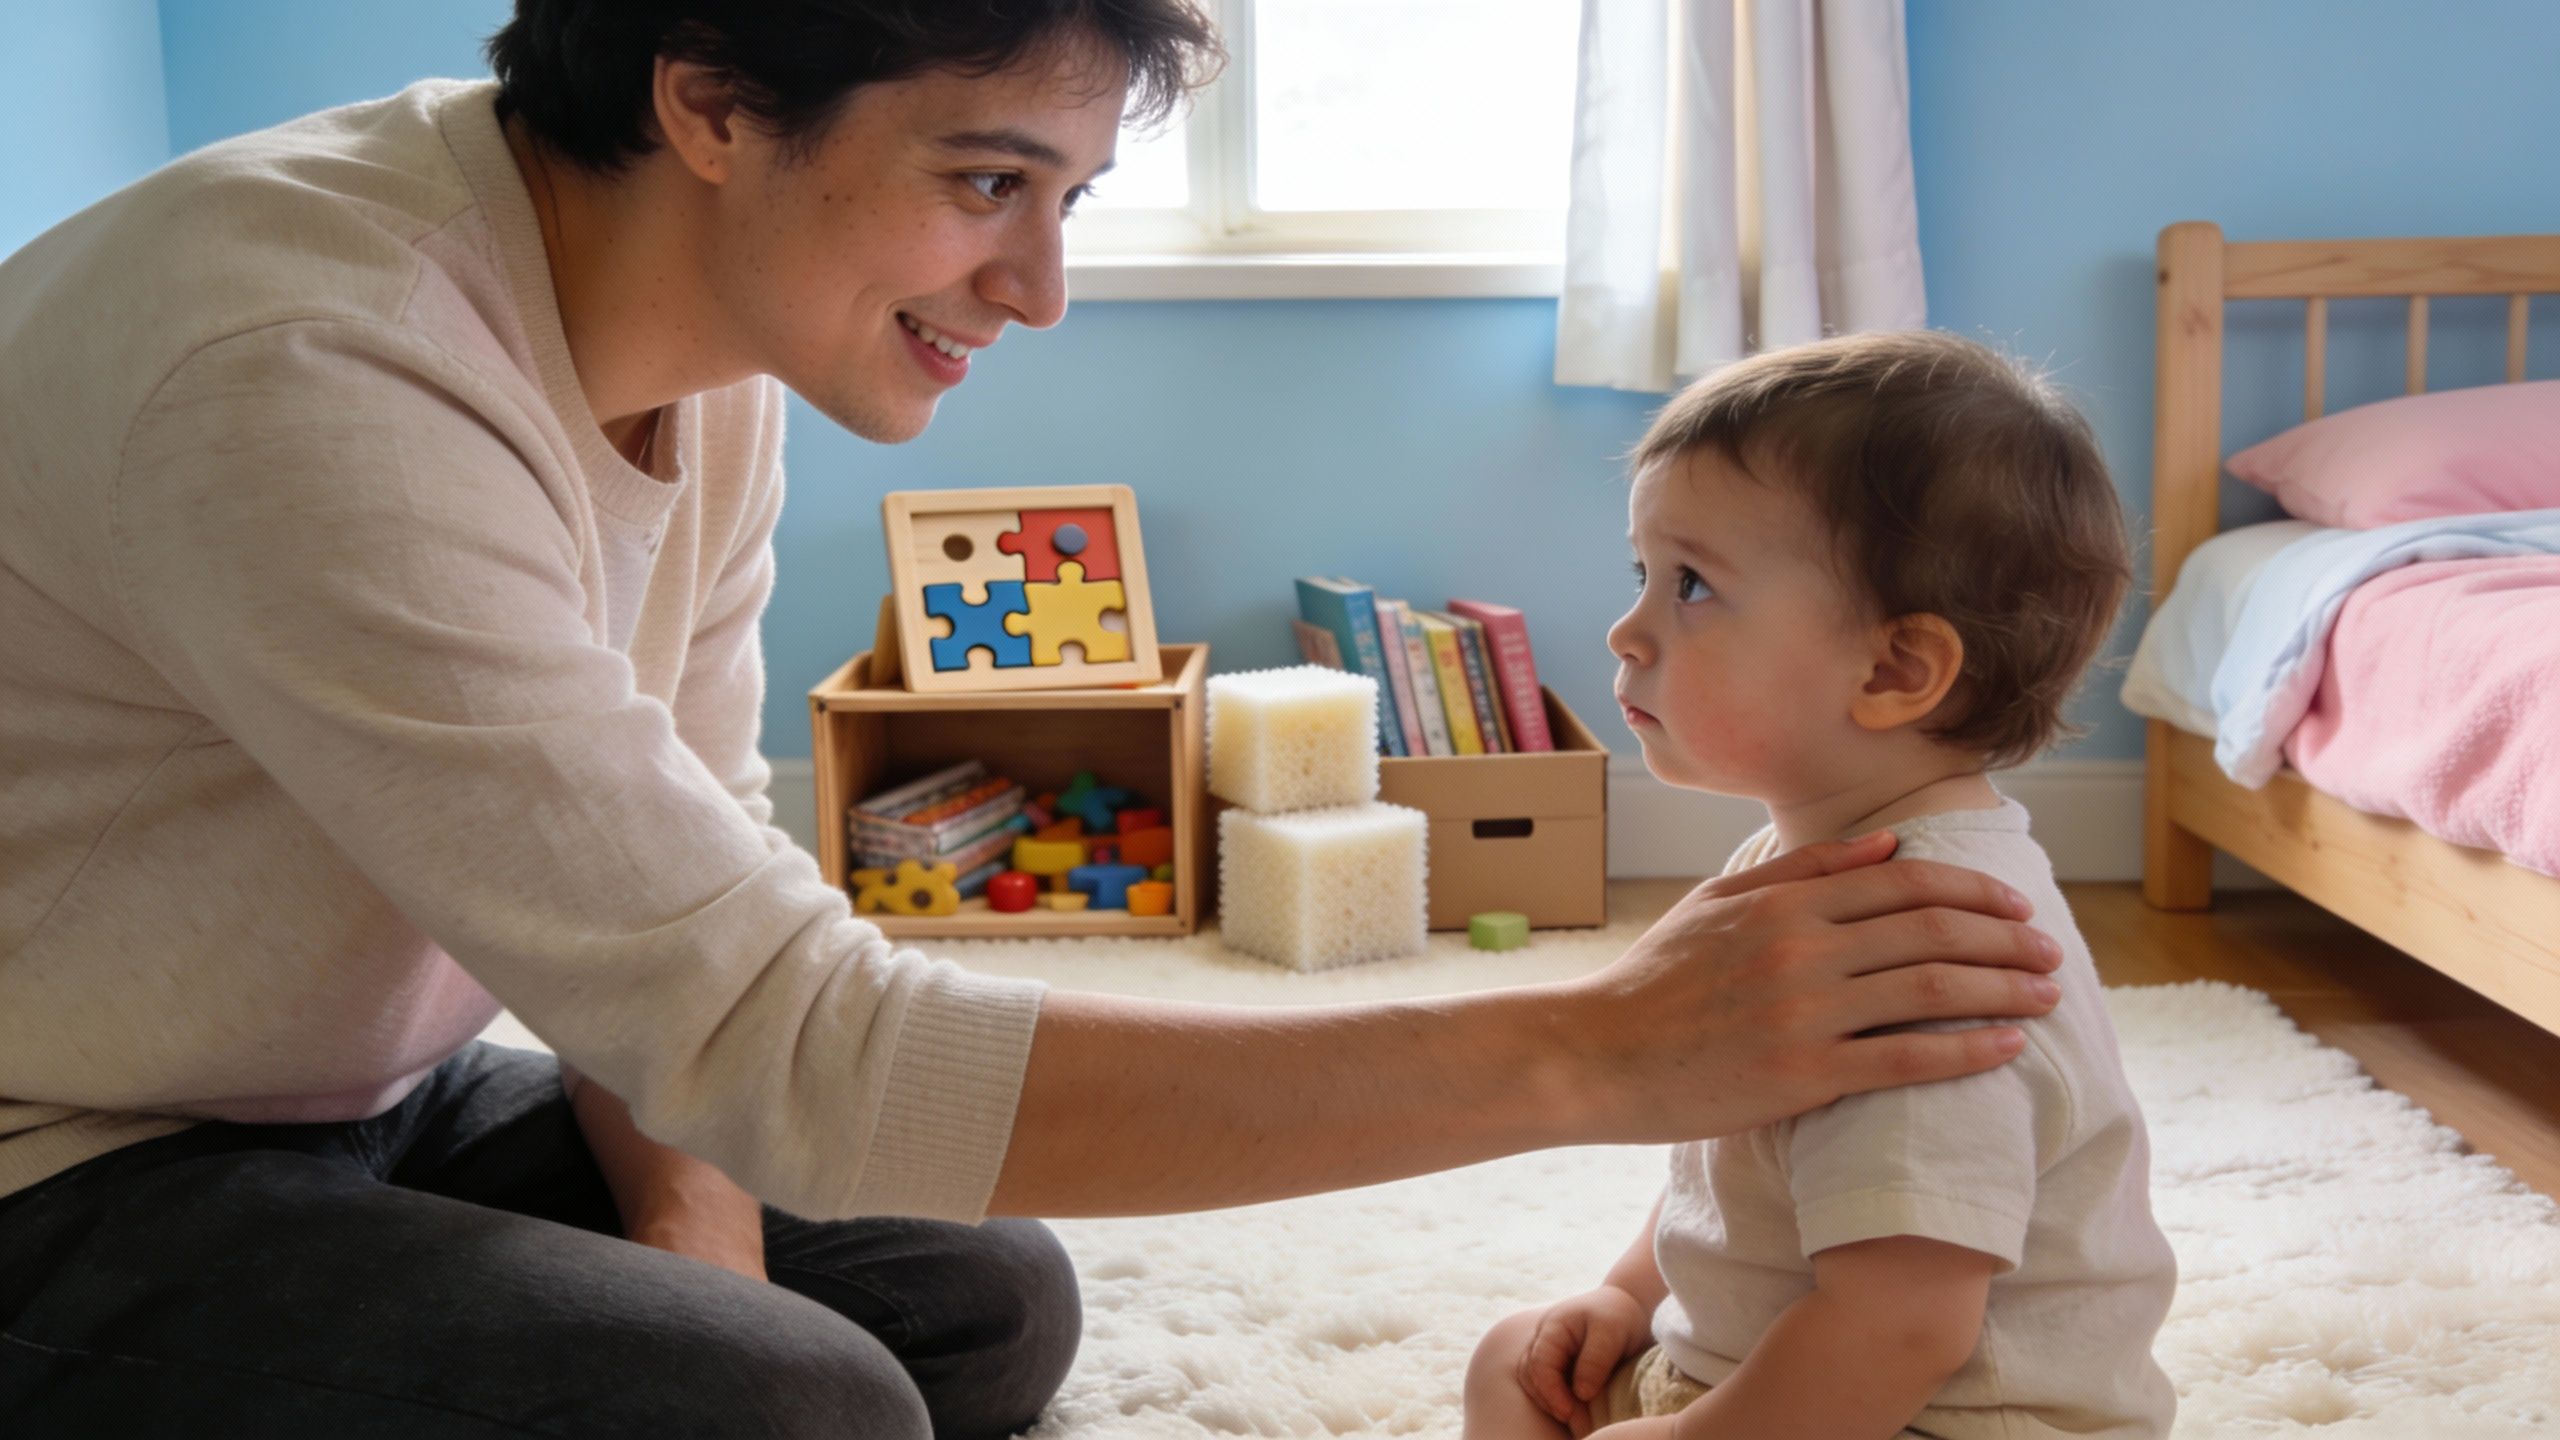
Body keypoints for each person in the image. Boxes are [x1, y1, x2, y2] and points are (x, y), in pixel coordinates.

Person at [0, 6, 2067, 1436]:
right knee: (794, 1408)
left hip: (338, 1100)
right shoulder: (299, 367)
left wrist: (691, 1239)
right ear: (713, 99)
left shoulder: (699, 346)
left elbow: (695, 911)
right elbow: (789, 1038)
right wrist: (1594, 1045)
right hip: (65, 1153)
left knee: (972, 1299)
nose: (1037, 286)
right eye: (989, 180)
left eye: (1065, 193)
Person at [1465, 331, 2178, 1440]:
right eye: (1640, 573)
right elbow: (1739, 1151)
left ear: (1893, 670)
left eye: (1691, 585)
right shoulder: (1805, 863)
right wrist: (1628, 1293)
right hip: (1761, 1372)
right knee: (1519, 1356)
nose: (1627, 628)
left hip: (1935, 1416)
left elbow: (1903, 1327)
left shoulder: (1926, 950)